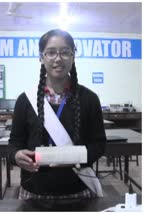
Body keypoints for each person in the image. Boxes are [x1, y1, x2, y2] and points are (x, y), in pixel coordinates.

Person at [8, 29, 106, 200]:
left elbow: (99, 144)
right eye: (51, 52)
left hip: (78, 190)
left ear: (73, 56)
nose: (58, 59)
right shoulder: (25, 100)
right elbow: (14, 143)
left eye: (65, 52)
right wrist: (16, 156)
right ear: (41, 57)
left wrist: (74, 157)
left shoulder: (89, 99)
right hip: (33, 191)